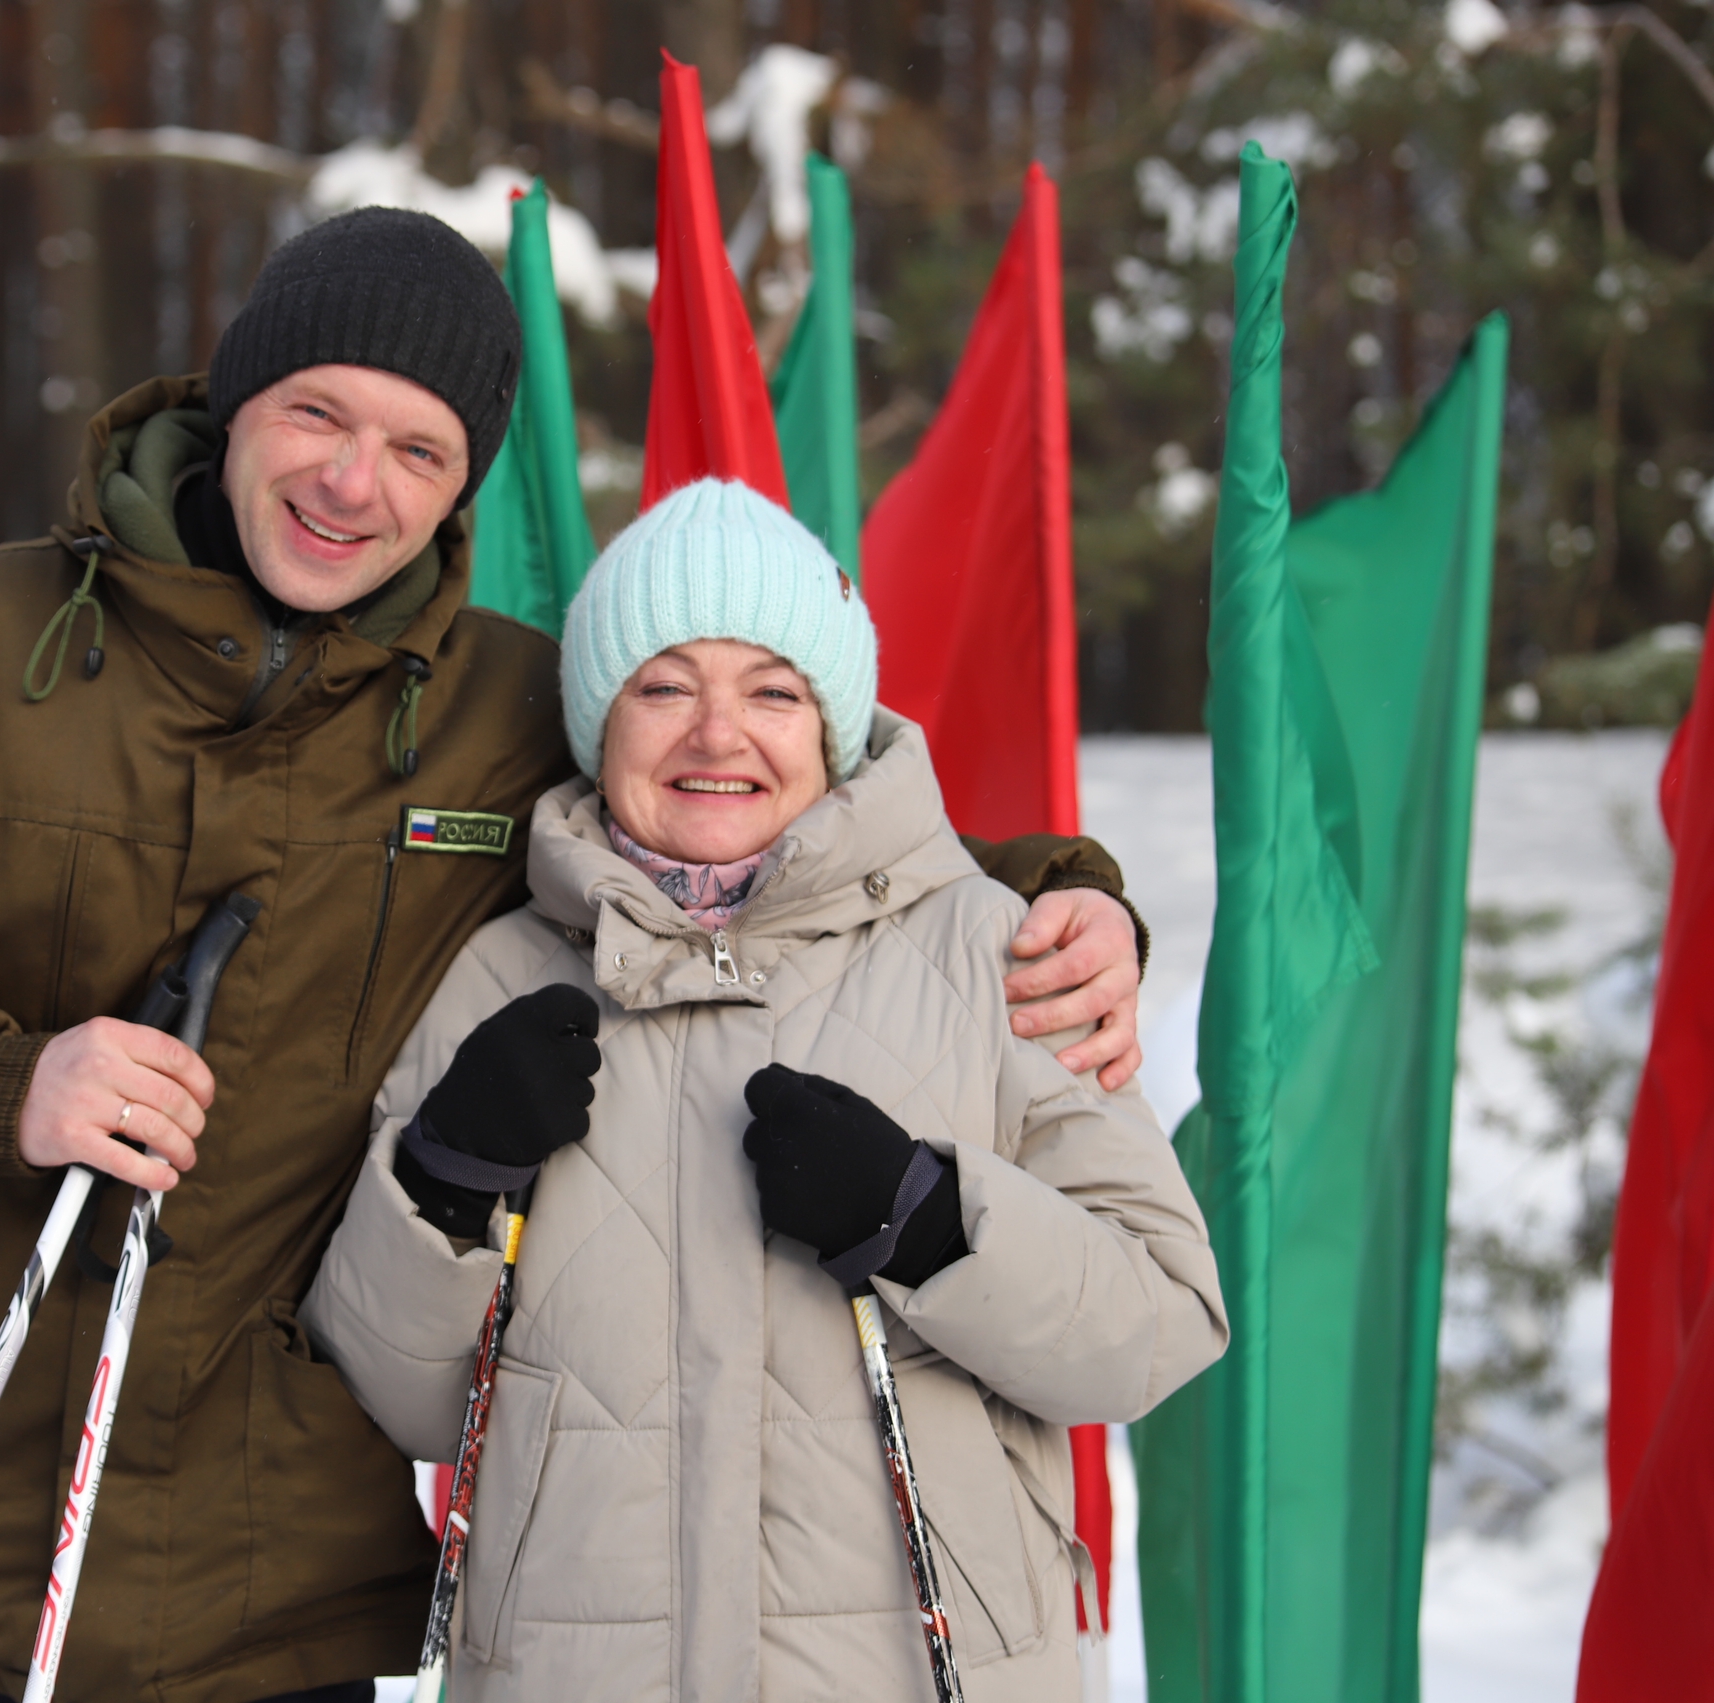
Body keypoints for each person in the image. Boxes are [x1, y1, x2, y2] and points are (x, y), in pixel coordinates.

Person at [0, 210, 1152, 1703]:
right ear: (231, 402)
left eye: (419, 448)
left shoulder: (507, 709)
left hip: (277, 1572)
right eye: (317, 414)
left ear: (462, 481)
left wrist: (1065, 894)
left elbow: (766, 816)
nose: (354, 483)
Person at [302, 479, 1226, 1700]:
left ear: (833, 726)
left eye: (774, 691)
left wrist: (926, 1221)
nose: (716, 734)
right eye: (663, 686)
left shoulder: (992, 951)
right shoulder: (490, 972)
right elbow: (409, 1401)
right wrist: (444, 1180)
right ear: (596, 721)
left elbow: (1156, 1331)